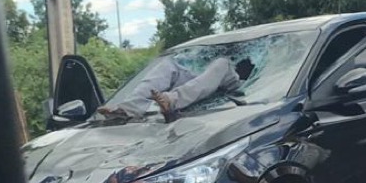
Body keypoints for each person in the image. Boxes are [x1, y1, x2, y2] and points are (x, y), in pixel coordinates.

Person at [99, 57, 254, 122]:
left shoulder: (226, 64)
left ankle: (171, 100)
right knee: (169, 65)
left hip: (237, 84)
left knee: (222, 62)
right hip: (205, 80)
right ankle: (128, 109)